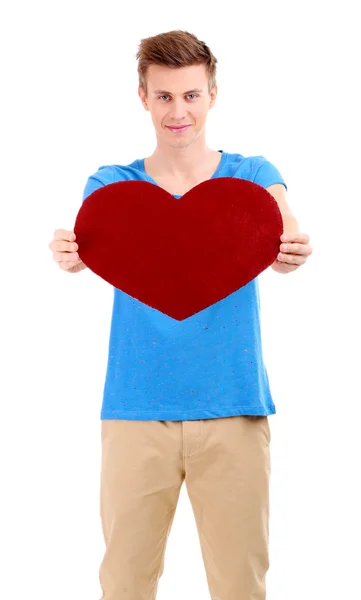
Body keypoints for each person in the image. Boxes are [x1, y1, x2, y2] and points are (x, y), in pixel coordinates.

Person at [48, 29, 312, 600]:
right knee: (124, 582)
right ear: (142, 97)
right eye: (164, 96)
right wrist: (69, 255)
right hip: (136, 410)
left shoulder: (250, 176)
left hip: (234, 408)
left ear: (212, 95)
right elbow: (87, 243)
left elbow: (282, 230)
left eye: (191, 95)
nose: (178, 111)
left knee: (241, 583)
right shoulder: (113, 185)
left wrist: (291, 253)